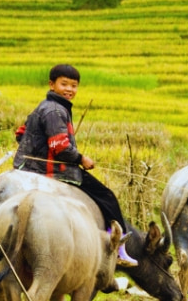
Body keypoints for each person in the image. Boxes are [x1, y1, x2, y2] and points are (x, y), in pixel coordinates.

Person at [13, 63, 129, 235]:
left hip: (26, 167)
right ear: (51, 84)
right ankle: (118, 245)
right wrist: (82, 159)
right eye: (64, 84)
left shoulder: (44, 106)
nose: (69, 89)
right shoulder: (56, 111)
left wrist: (38, 149)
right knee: (107, 197)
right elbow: (61, 148)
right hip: (52, 171)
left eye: (74, 86)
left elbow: (20, 133)